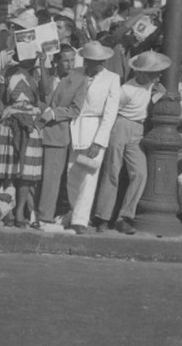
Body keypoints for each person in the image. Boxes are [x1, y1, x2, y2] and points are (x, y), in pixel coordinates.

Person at [93, 51, 170, 235]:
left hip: (138, 129)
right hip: (121, 125)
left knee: (140, 173)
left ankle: (124, 216)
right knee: (112, 171)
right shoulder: (126, 90)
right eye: (152, 73)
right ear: (141, 73)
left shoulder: (152, 85)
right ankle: (102, 217)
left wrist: (159, 94)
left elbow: (149, 101)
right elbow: (112, 110)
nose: (156, 76)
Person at [65, 41, 119, 234]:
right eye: (91, 60)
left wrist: (99, 141)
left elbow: (110, 113)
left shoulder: (112, 78)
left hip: (95, 128)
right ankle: (73, 212)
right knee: (72, 173)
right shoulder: (77, 73)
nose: (96, 64)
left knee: (89, 175)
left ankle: (80, 219)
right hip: (73, 126)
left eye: (99, 60)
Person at [35, 47, 88, 230]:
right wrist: (42, 63)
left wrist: (55, 113)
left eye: (73, 60)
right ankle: (29, 213)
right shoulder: (46, 74)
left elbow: (75, 109)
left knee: (51, 177)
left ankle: (45, 217)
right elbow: (40, 94)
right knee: (31, 174)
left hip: (57, 134)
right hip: (35, 130)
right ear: (57, 60)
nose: (70, 64)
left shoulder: (79, 81)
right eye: (66, 60)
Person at [0, 54, 45, 228]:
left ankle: (20, 212)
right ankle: (8, 210)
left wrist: (43, 64)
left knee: (26, 173)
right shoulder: (8, 72)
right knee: (10, 171)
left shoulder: (38, 73)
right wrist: (1, 116)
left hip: (31, 122)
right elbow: (1, 100)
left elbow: (45, 94)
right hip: (10, 122)